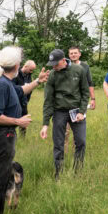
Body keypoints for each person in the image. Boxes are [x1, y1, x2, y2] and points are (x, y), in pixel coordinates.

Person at [0, 46, 48, 214]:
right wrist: (18, 122)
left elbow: (20, 91)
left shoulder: (6, 82)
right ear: (17, 65)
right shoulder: (1, 84)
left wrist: (38, 81)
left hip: (3, 137)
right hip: (0, 137)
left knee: (0, 178)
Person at [40, 49, 90, 177]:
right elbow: (48, 100)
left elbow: (85, 93)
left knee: (81, 142)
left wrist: (82, 111)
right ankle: (59, 173)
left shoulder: (79, 70)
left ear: (63, 60)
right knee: (58, 143)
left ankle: (77, 171)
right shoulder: (52, 74)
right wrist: (45, 124)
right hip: (59, 112)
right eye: (52, 65)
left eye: (56, 64)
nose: (54, 67)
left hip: (76, 111)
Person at [12, 60, 36, 137]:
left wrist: (27, 100)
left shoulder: (29, 75)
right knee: (13, 121)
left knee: (24, 121)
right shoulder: (15, 74)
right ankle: (11, 137)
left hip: (24, 103)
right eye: (30, 69)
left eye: (32, 70)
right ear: (25, 66)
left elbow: (30, 88)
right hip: (14, 103)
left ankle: (23, 138)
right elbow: (12, 89)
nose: (31, 72)